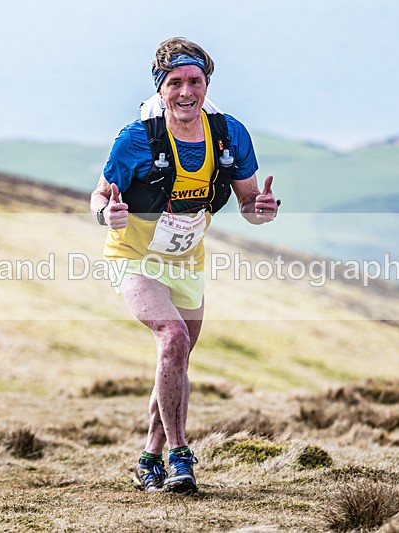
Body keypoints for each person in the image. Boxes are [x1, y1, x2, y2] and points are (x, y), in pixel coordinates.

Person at [90, 36, 279, 494]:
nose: (186, 92)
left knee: (175, 359)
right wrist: (106, 214)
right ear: (160, 88)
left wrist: (263, 209)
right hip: (133, 257)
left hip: (187, 263)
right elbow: (99, 195)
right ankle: (180, 456)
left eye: (195, 81)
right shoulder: (135, 139)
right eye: (175, 83)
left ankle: (149, 458)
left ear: (207, 83)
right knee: (171, 337)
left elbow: (249, 203)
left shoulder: (229, 134)